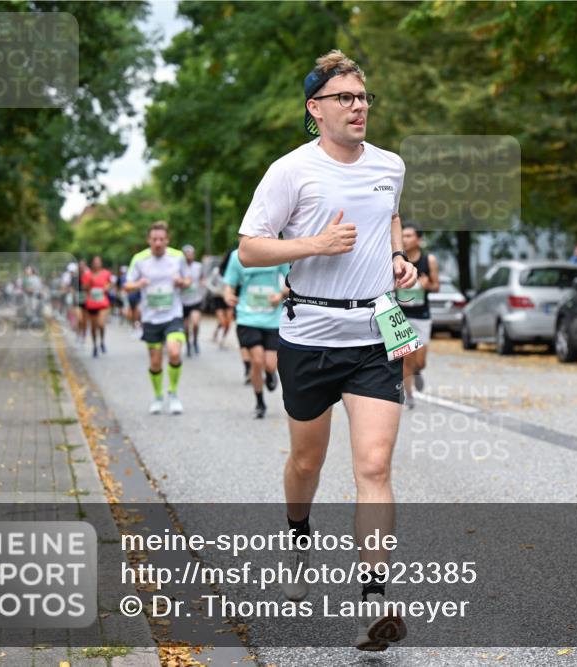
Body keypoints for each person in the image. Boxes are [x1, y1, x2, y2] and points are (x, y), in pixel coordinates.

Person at [237, 50, 418, 651]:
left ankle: (375, 599)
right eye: (344, 97)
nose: (358, 106)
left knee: (373, 466)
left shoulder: (389, 165)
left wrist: (397, 258)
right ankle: (297, 534)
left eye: (363, 96)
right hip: (309, 336)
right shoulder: (291, 171)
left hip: (375, 331)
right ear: (316, 109)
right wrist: (315, 243)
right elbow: (250, 251)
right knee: (307, 464)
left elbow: (389, 217)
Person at [124, 221, 191, 415]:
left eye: (162, 239)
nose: (158, 243)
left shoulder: (177, 257)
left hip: (173, 315)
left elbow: (188, 280)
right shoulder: (139, 259)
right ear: (149, 240)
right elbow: (127, 285)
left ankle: (173, 393)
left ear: (167, 240)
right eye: (154, 239)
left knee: (174, 352)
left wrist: (181, 282)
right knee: (155, 362)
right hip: (151, 318)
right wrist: (138, 284)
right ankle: (158, 396)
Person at [222, 249, 289, 418]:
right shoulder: (238, 256)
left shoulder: (277, 251)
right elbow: (229, 283)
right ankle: (260, 402)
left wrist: (281, 294)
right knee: (257, 360)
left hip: (272, 319)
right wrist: (228, 295)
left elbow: (291, 281)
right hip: (247, 317)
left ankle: (270, 373)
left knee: (270, 364)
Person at [397, 222, 439, 408]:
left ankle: (417, 371)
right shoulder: (397, 260)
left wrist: (427, 285)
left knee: (419, 361)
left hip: (421, 315)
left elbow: (437, 286)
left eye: (409, 236)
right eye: (402, 236)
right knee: (407, 358)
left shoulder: (428, 260)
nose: (405, 239)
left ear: (419, 239)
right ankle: (409, 394)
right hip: (400, 315)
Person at [81, 255, 112, 357]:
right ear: (92, 263)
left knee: (101, 324)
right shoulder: (87, 275)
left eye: (99, 262)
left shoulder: (106, 273)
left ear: (101, 263)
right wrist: (90, 282)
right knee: (93, 327)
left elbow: (109, 284)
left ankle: (102, 341)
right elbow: (84, 287)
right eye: (95, 262)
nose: (97, 264)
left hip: (103, 303)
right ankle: (95, 346)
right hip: (91, 303)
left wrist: (106, 288)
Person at [180, 244, 205, 357]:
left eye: (191, 253)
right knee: (185, 327)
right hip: (183, 301)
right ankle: (188, 344)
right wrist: (183, 283)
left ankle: (195, 340)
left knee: (195, 323)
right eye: (187, 253)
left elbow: (202, 279)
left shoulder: (198, 266)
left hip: (196, 299)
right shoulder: (179, 268)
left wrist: (203, 284)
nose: (189, 255)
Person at [208, 247, 235, 349]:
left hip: (228, 299)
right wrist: (215, 291)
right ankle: (216, 332)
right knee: (223, 321)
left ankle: (222, 339)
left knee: (228, 323)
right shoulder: (217, 271)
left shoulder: (233, 271)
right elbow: (209, 283)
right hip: (218, 298)